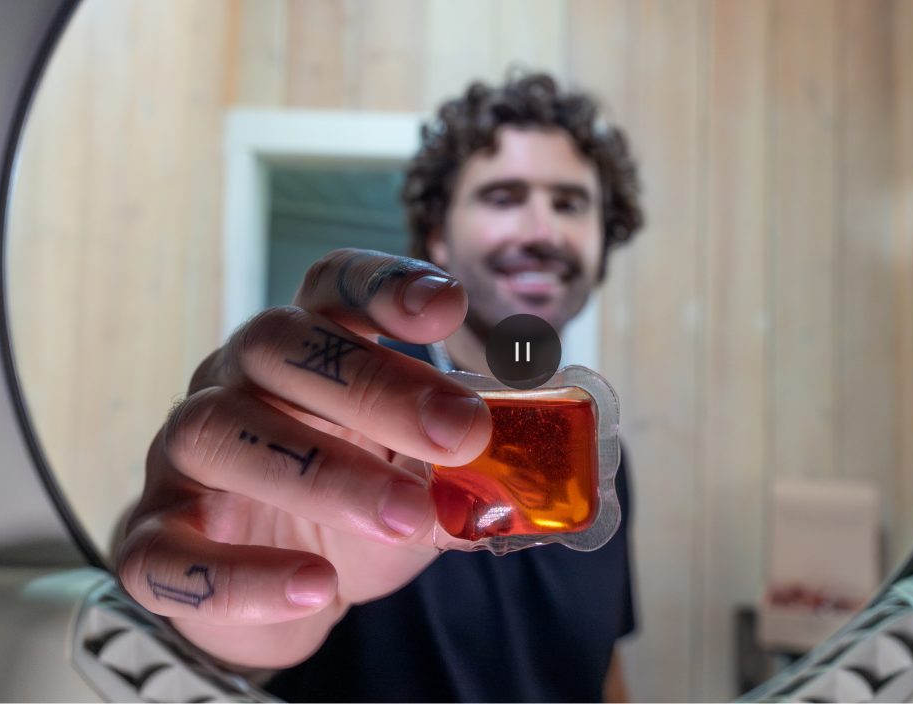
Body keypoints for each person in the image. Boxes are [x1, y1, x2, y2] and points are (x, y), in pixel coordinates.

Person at [115, 73, 644, 704]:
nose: (543, 231)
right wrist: (221, 598)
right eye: (503, 197)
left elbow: (601, 666)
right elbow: (183, 635)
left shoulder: (597, 452)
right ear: (438, 233)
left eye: (570, 204)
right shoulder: (335, 418)